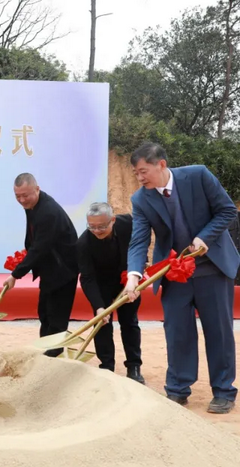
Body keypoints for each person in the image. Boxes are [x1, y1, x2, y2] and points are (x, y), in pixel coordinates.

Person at [125, 142, 240, 414]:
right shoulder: (141, 199)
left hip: (211, 268)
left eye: (143, 171)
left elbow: (226, 210)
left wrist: (204, 237)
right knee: (177, 332)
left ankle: (223, 391)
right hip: (174, 274)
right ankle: (177, 389)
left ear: (161, 165)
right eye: (135, 173)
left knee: (218, 331)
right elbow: (139, 241)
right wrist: (133, 275)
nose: (140, 178)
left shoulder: (198, 176)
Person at [4, 173, 78, 357]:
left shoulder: (48, 212)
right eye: (17, 196)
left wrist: (16, 274)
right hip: (50, 268)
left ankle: (54, 356)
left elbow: (39, 248)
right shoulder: (33, 205)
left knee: (56, 316)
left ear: (37, 189)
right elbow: (34, 241)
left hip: (63, 270)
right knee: (44, 312)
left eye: (25, 195)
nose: (21, 200)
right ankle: (45, 351)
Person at [76, 202, 144, 383]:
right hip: (101, 285)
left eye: (102, 226)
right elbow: (87, 278)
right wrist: (99, 307)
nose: (97, 231)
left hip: (127, 281)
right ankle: (106, 367)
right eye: (92, 227)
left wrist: (135, 274)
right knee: (102, 325)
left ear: (112, 220)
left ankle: (134, 366)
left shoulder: (128, 223)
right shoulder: (83, 243)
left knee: (130, 322)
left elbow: (141, 243)